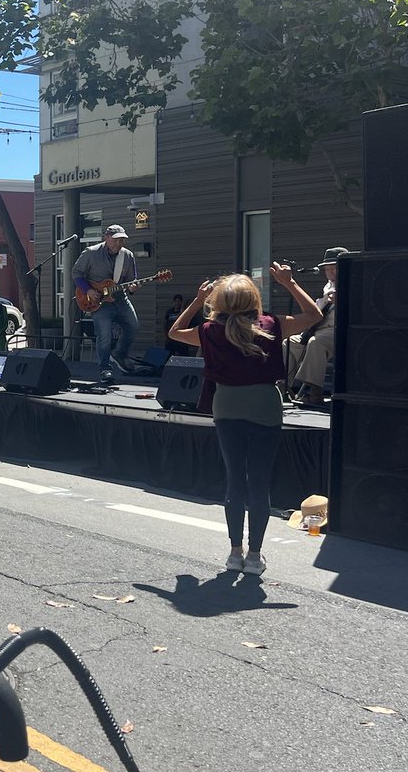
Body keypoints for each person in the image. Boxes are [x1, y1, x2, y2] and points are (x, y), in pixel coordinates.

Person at [168, 265, 322, 577]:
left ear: (219, 302)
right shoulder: (271, 324)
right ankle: (254, 556)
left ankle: (234, 552)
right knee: (259, 483)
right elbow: (314, 315)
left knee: (235, 480)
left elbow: (174, 332)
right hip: (265, 405)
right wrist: (289, 283)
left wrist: (196, 301)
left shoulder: (208, 331)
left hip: (226, 405)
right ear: (253, 299)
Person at [73, 224, 141, 381]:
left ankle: (119, 354)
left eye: (121, 240)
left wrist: (133, 288)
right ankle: (105, 369)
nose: (119, 243)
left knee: (133, 326)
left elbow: (132, 280)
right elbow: (76, 273)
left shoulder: (127, 255)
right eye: (115, 240)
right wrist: (88, 290)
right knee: (104, 335)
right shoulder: (91, 253)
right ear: (106, 237)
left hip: (120, 298)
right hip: (99, 301)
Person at [285, 247, 348, 407]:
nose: (330, 273)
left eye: (333, 268)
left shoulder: (354, 283)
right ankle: (284, 386)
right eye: (327, 270)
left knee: (315, 343)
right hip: (319, 329)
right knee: (289, 342)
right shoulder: (328, 287)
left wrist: (342, 301)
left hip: (339, 331)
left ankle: (315, 392)